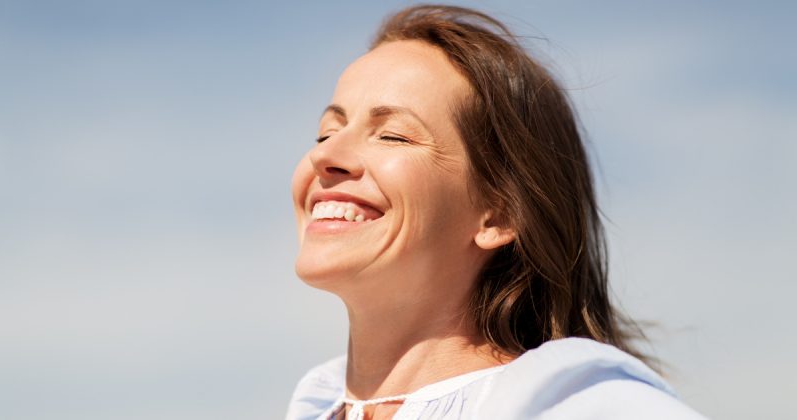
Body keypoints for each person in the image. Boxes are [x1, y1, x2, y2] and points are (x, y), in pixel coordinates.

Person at [286, 5, 706, 420]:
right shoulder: (311, 404)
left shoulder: (570, 404)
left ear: (499, 213)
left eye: (394, 136)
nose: (326, 154)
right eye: (327, 131)